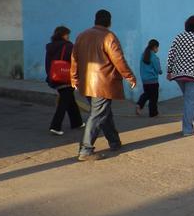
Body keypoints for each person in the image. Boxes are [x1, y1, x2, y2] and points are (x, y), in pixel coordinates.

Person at [71, 10, 137, 161]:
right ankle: (86, 149)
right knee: (98, 114)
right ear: (109, 22)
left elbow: (74, 59)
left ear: (95, 20)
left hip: (86, 83)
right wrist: (129, 76)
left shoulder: (82, 35)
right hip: (102, 83)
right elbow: (118, 59)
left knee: (103, 112)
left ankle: (114, 141)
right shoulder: (109, 36)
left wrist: (74, 78)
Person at [45, 26, 84, 136]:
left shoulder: (50, 47)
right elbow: (75, 61)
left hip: (55, 76)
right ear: (63, 35)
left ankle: (77, 122)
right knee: (64, 102)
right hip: (66, 77)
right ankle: (55, 126)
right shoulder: (68, 46)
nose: (68, 36)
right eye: (67, 34)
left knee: (70, 100)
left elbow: (48, 64)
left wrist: (50, 75)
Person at [136, 39, 162, 117]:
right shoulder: (154, 57)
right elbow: (158, 69)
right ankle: (153, 113)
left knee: (147, 94)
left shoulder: (143, 55)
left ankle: (139, 104)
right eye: (157, 47)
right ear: (154, 47)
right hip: (153, 81)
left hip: (145, 80)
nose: (158, 49)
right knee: (153, 98)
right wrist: (160, 71)